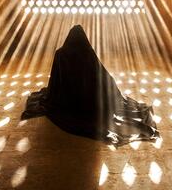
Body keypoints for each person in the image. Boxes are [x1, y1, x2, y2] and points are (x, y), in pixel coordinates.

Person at [22, 25, 159, 146]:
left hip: (68, 99)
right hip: (89, 102)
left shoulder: (60, 54)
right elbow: (101, 75)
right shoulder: (88, 54)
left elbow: (55, 80)